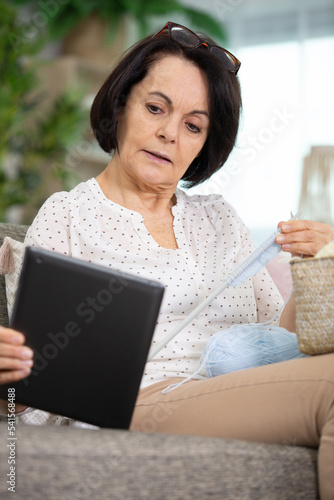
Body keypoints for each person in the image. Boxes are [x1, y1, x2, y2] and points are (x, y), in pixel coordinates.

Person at [0, 21, 333, 497]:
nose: (169, 134)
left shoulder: (221, 219)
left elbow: (275, 342)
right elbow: (34, 391)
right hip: (136, 403)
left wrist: (318, 267)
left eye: (193, 125)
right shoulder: (69, 214)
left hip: (234, 389)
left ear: (203, 145)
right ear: (121, 105)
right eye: (156, 108)